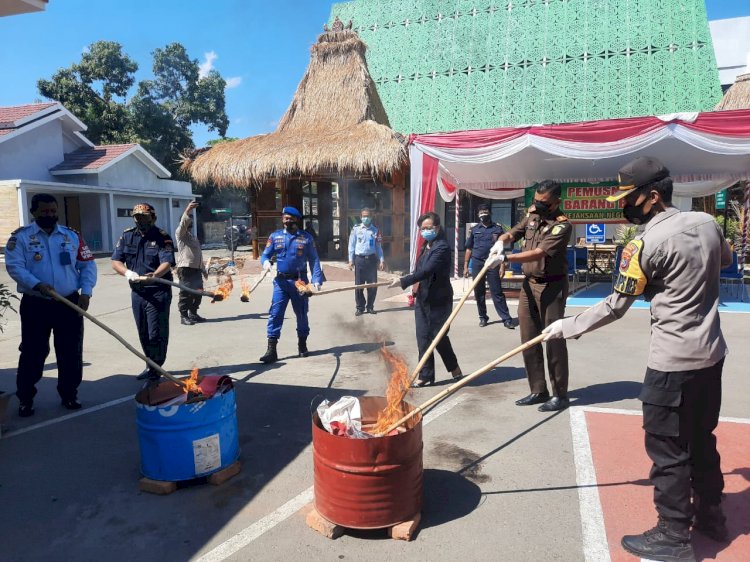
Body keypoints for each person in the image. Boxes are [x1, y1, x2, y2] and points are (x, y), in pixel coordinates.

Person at [543, 156, 732, 562]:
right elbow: (726, 262)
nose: (623, 205)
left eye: (629, 198)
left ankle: (673, 534)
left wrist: (566, 326)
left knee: (667, 452)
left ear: (651, 195)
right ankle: (712, 516)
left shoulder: (643, 243)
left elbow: (614, 306)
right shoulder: (709, 225)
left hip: (672, 364)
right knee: (702, 440)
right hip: (711, 357)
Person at [5, 193, 97, 416]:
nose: (50, 215)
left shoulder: (71, 236)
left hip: (69, 302)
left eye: (53, 211)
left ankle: (69, 395)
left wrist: (86, 292)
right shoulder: (21, 238)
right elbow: (15, 267)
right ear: (33, 212)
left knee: (70, 352)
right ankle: (26, 399)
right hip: (37, 303)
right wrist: (37, 285)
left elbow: (87, 265)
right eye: (44, 211)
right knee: (33, 352)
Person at [488, 179, 572, 412]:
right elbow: (514, 233)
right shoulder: (533, 216)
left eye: (543, 202)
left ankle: (560, 394)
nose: (537, 205)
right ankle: (538, 389)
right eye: (536, 200)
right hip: (529, 285)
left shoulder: (562, 225)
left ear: (556, 202)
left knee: (552, 339)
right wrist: (501, 242)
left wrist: (506, 258)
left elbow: (539, 252)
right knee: (528, 338)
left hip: (551, 287)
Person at [389, 212, 462, 387]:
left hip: (439, 300)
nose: (426, 231)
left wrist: (404, 281)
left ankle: (454, 369)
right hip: (423, 298)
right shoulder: (426, 246)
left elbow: (427, 271)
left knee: (438, 336)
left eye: (429, 228)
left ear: (437, 228)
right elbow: (419, 270)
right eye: (423, 228)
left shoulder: (442, 248)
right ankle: (426, 375)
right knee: (423, 337)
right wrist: (414, 289)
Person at [111, 203, 176, 382]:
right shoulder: (127, 236)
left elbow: (167, 262)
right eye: (137, 217)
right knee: (144, 332)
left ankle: (156, 367)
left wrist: (155, 275)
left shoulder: (162, 237)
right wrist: (127, 273)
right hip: (138, 292)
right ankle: (150, 364)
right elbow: (116, 261)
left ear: (153, 218)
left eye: (145, 217)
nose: (141, 220)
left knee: (156, 332)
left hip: (158, 291)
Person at [259, 206, 323, 364]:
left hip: (299, 282)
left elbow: (314, 259)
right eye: (284, 218)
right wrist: (265, 262)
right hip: (280, 282)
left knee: (301, 314)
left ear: (296, 219)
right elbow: (265, 255)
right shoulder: (275, 237)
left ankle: (302, 345)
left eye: (289, 218)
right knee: (275, 313)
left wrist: (316, 278)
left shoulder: (306, 238)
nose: (286, 221)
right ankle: (271, 350)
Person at [463, 203, 516, 329]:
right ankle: (483, 317)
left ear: (490, 213)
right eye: (481, 212)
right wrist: (465, 265)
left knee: (496, 291)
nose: (483, 214)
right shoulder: (475, 229)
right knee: (479, 291)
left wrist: (502, 266)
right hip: (477, 263)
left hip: (493, 263)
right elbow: (469, 248)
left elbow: (501, 249)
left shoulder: (497, 228)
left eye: (485, 211)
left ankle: (506, 319)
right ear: (478, 214)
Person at [175, 200, 207, 325]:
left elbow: (198, 254)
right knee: (186, 293)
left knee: (198, 292)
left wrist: (203, 269)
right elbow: (183, 223)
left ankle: (193, 314)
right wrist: (187, 210)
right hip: (186, 268)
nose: (191, 222)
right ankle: (183, 316)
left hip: (196, 269)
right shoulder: (180, 234)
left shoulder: (193, 237)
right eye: (189, 220)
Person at [348, 207, 385, 315]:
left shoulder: (376, 231)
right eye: (364, 216)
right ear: (360, 217)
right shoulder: (356, 229)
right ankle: (360, 307)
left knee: (372, 285)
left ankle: (370, 306)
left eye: (368, 216)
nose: (366, 218)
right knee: (359, 286)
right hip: (359, 260)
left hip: (372, 261)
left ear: (371, 217)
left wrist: (382, 260)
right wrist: (350, 260)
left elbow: (378, 247)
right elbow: (351, 245)